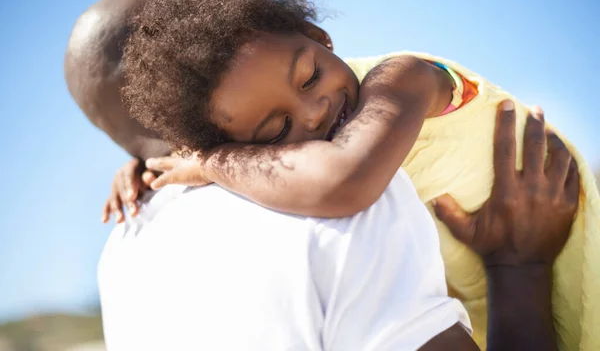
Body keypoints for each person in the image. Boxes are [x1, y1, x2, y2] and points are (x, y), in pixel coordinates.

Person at [114, 0, 599, 350]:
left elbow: (344, 181)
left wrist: (210, 164)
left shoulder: (402, 78)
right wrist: (142, 166)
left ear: (318, 36)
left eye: (309, 77)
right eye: (277, 128)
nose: (315, 111)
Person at [98, 99, 578, 350]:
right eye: (276, 126)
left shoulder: (122, 248)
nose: (315, 117)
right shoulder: (349, 189)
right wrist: (521, 266)